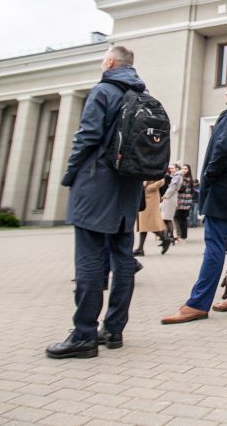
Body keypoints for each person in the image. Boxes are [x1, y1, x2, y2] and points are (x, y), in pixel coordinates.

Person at [46, 45, 146, 358]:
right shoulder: (143, 96)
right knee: (122, 258)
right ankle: (114, 330)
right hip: (128, 188)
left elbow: (87, 136)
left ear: (110, 62)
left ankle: (83, 335)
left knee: (89, 258)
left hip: (97, 184)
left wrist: (70, 173)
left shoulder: (103, 90)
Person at [161, 76, 227, 324]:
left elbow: (223, 146)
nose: (225, 93)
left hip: (224, 187)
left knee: (215, 243)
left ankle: (197, 304)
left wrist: (210, 173)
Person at [134, 178, 170, 255]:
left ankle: (165, 239)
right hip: (143, 196)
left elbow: (161, 180)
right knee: (143, 224)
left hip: (151, 198)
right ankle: (140, 248)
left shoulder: (156, 166)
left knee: (147, 223)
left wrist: (148, 188)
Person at [160, 163, 182, 243]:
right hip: (170, 197)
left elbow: (172, 187)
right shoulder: (174, 176)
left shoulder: (177, 176)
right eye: (170, 168)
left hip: (170, 197)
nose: (171, 169)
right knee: (166, 218)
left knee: (167, 218)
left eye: (172, 168)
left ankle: (171, 237)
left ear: (176, 168)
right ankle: (168, 237)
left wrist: (165, 196)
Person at [174, 164, 195, 240]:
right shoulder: (181, 177)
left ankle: (183, 235)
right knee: (180, 217)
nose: (183, 170)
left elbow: (180, 187)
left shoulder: (187, 179)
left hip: (185, 201)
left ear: (188, 170)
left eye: (185, 168)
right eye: (182, 168)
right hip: (181, 200)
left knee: (182, 218)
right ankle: (181, 235)